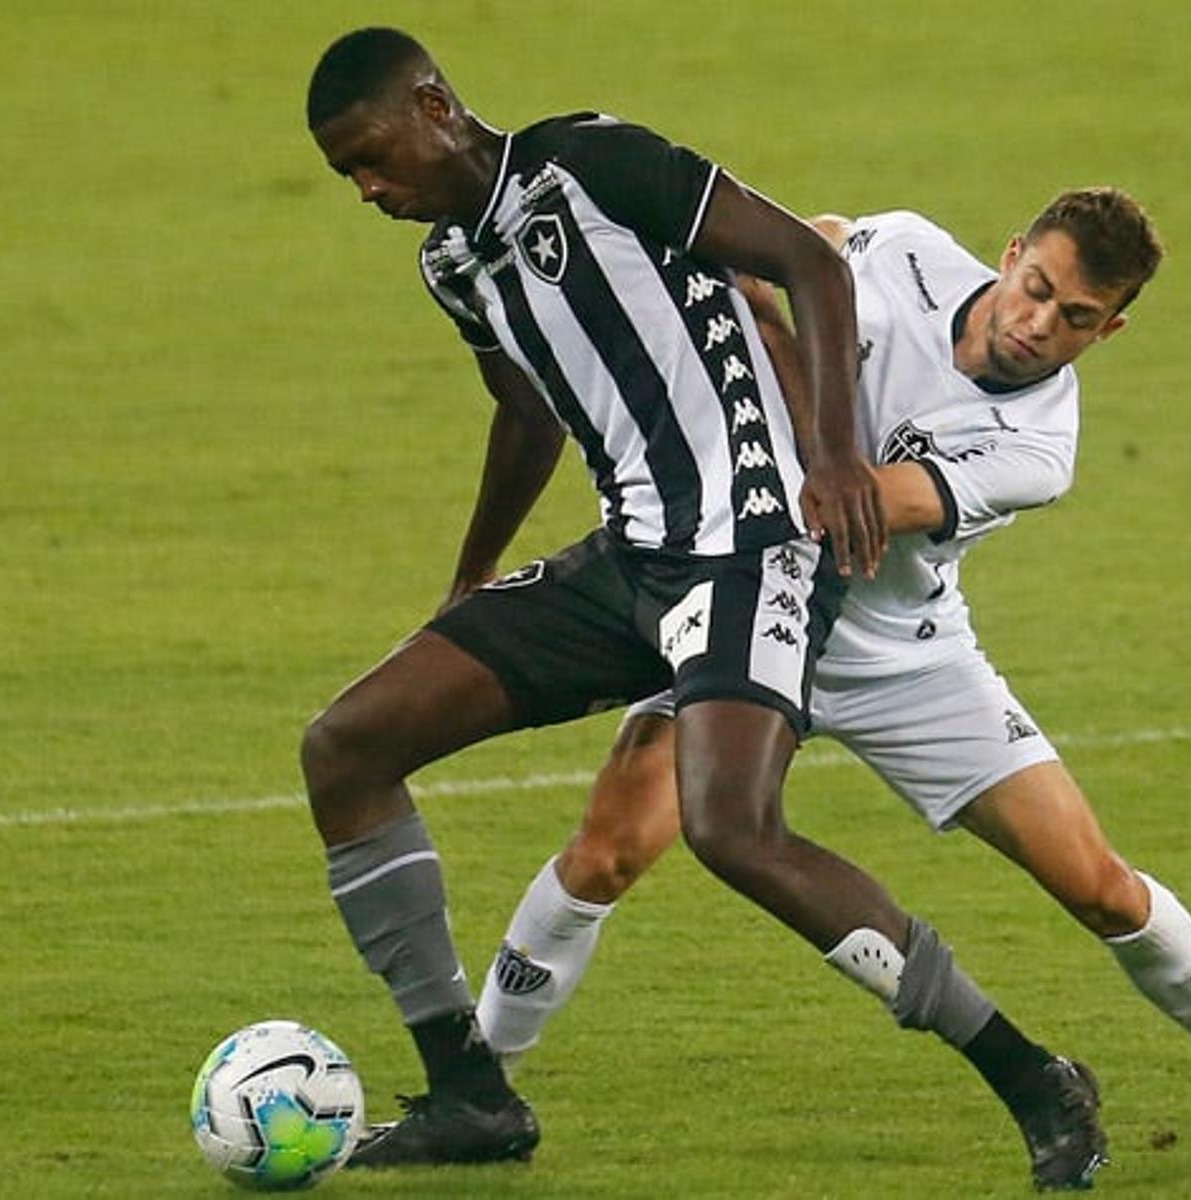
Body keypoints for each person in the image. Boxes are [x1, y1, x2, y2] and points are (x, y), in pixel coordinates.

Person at [302, 28, 1109, 1190]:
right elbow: (526, 413)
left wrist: (832, 457)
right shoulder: (452, 263)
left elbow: (809, 265)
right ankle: (469, 1092)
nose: (371, 189)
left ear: (433, 106)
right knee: (346, 746)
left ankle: (1034, 1076)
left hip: (758, 546)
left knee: (731, 829)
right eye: (348, 177)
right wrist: (472, 575)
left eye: (374, 157)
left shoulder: (594, 163)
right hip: (636, 555)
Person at [471, 191, 1191, 1146]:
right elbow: (787, 250)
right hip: (740, 607)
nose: (1038, 324)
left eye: (1076, 318)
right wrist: (761, 287)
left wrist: (771, 353)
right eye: (1036, 288)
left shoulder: (1038, 448)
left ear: (1111, 329)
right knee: (606, 850)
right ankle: (479, 1089)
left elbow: (839, 502)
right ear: (1010, 255)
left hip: (902, 660)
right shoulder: (908, 248)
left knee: (1099, 885)